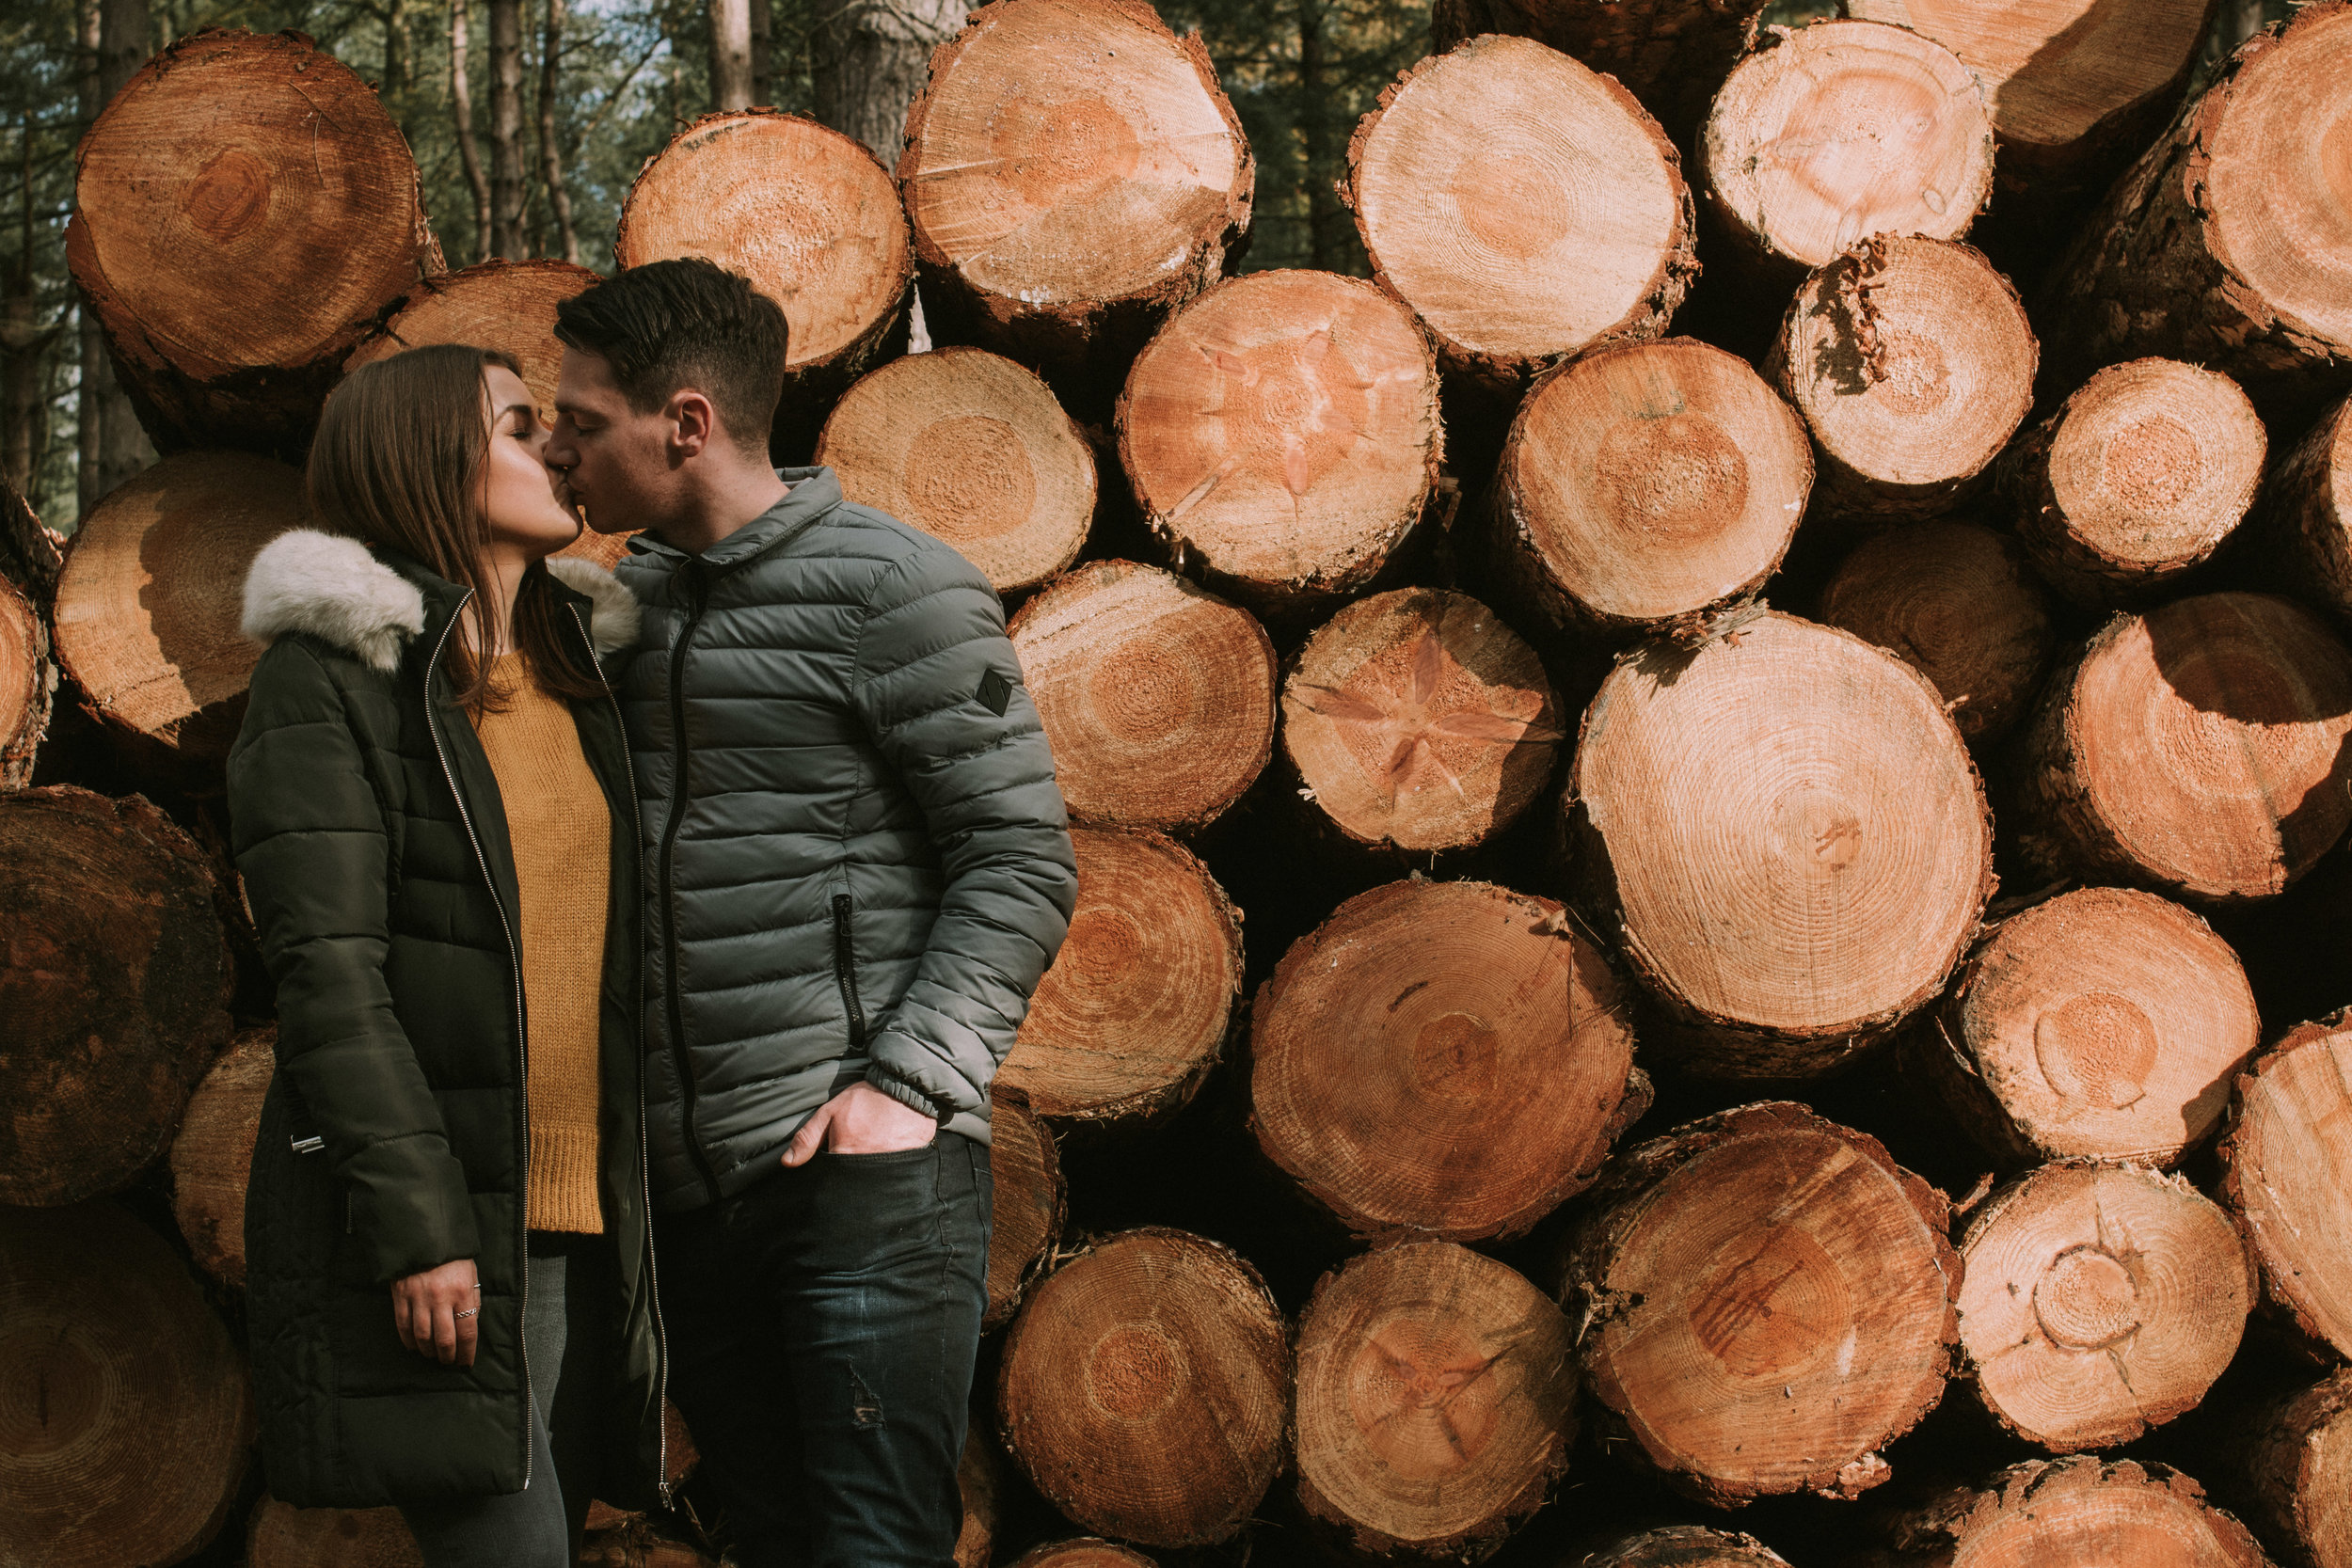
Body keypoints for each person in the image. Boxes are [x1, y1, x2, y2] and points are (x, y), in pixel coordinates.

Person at [544, 257, 1077, 1567]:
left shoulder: (898, 588)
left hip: (864, 1178)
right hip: (692, 1189)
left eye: (583, 419)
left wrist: (903, 1083)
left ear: (685, 423)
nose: (557, 446)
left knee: (869, 1551)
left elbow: (1019, 858)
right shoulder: (621, 608)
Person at [228, 344, 666, 1566]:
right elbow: (330, 978)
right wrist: (422, 1230)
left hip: (581, 1235)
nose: (554, 450)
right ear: (426, 457)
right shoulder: (336, 673)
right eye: (519, 427)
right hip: (444, 1232)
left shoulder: (585, 677)